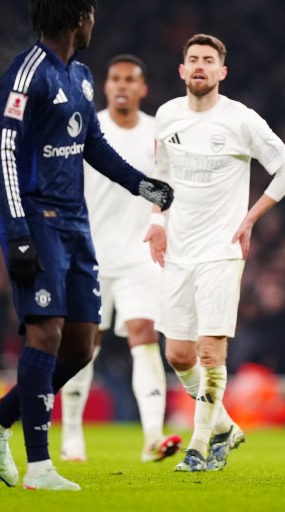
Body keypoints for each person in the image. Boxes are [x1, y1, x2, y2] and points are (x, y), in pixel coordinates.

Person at [0, 0, 173, 491]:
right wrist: (16, 229)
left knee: (82, 345)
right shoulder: (28, 71)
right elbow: (5, 152)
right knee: (46, 332)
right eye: (92, 15)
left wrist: (145, 187)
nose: (94, 24)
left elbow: (94, 147)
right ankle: (39, 466)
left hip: (77, 224)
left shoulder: (80, 76)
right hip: (36, 219)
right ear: (80, 18)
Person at [145, 34, 285, 472]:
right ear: (181, 70)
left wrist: (250, 218)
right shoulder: (166, 115)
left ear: (221, 72)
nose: (199, 66)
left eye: (208, 61)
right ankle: (226, 428)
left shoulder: (241, 119)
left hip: (221, 250)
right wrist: (157, 223)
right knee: (178, 354)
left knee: (210, 351)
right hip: (177, 250)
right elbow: (160, 176)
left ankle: (197, 449)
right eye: (192, 60)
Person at [59, 54, 182, 464]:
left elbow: (167, 189)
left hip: (138, 254)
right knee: (84, 343)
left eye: (131, 79)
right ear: (106, 86)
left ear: (143, 88)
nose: (123, 86)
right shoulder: (86, 128)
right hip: (89, 253)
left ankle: (152, 437)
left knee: (144, 335)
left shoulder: (156, 133)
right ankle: (72, 435)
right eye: (116, 79)